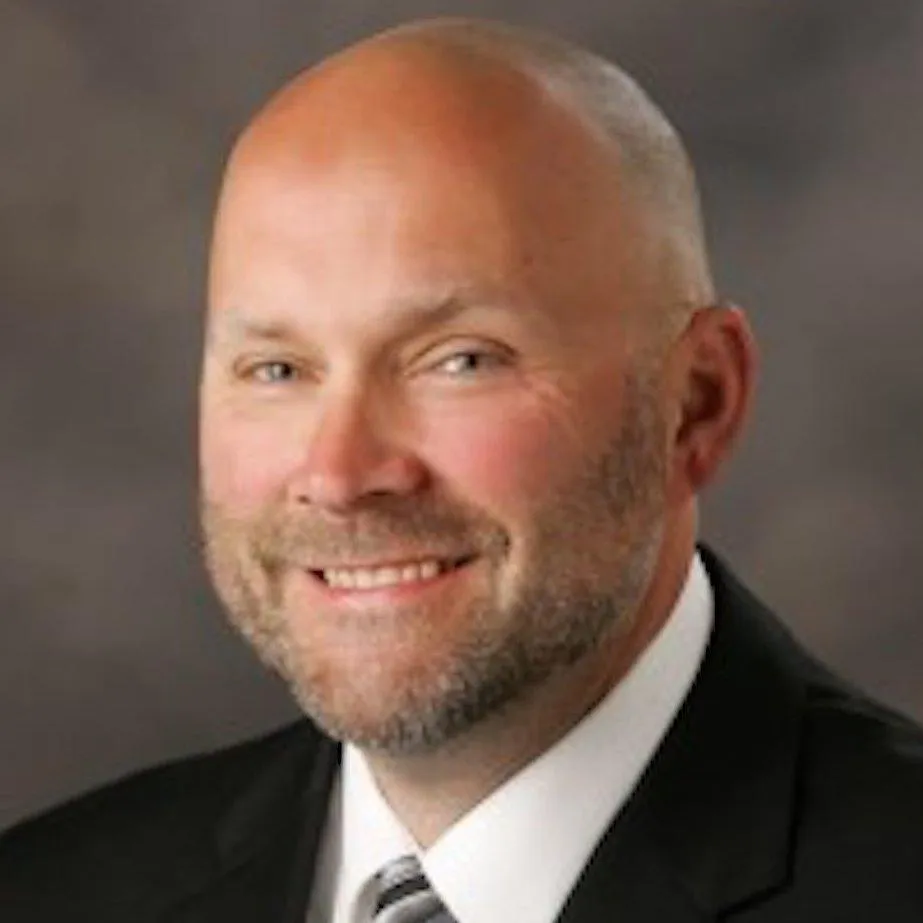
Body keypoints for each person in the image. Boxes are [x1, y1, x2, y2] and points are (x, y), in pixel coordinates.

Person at [2, 16, 922, 923]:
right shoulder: (49, 892)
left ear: (696, 402)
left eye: (459, 359)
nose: (339, 471)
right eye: (276, 370)